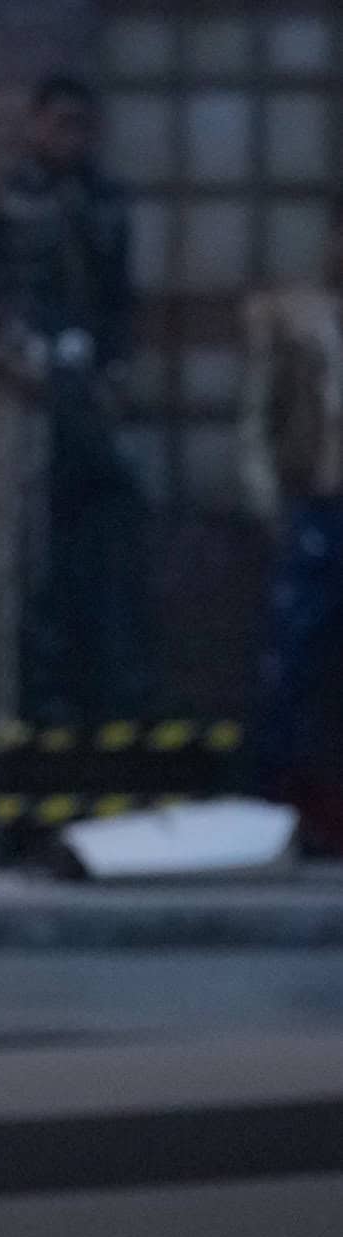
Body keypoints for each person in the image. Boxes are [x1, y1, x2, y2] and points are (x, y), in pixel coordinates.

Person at [0, 73, 148, 728]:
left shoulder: (107, 203)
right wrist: (9, 357)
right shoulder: (10, 200)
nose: (69, 137)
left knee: (102, 532)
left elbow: (120, 299)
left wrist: (117, 371)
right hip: (27, 396)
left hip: (90, 391)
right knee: (33, 547)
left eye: (80, 124)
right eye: (58, 123)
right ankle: (37, 692)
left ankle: (105, 684)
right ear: (36, 125)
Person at [241, 197, 343, 853]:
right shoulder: (294, 315)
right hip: (316, 504)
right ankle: (277, 805)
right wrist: (266, 500)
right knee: (291, 663)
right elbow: (257, 414)